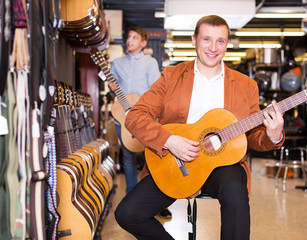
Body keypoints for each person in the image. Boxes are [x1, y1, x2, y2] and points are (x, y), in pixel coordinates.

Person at [114, 15, 285, 239]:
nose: (213, 48)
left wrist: (273, 135)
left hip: (224, 163)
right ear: (194, 40)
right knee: (127, 214)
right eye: (206, 39)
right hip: (174, 161)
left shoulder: (246, 85)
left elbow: (253, 137)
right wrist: (169, 140)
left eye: (220, 41)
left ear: (227, 44)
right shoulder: (171, 76)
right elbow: (135, 116)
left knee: (235, 192)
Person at [109, 26, 172, 219]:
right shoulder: (116, 63)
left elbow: (156, 89)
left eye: (135, 38)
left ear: (143, 43)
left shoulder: (150, 62)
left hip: (145, 117)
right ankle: (131, 199)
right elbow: (113, 89)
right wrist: (112, 88)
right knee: (127, 158)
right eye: (129, 37)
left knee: (152, 158)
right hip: (123, 117)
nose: (130, 40)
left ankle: (158, 202)